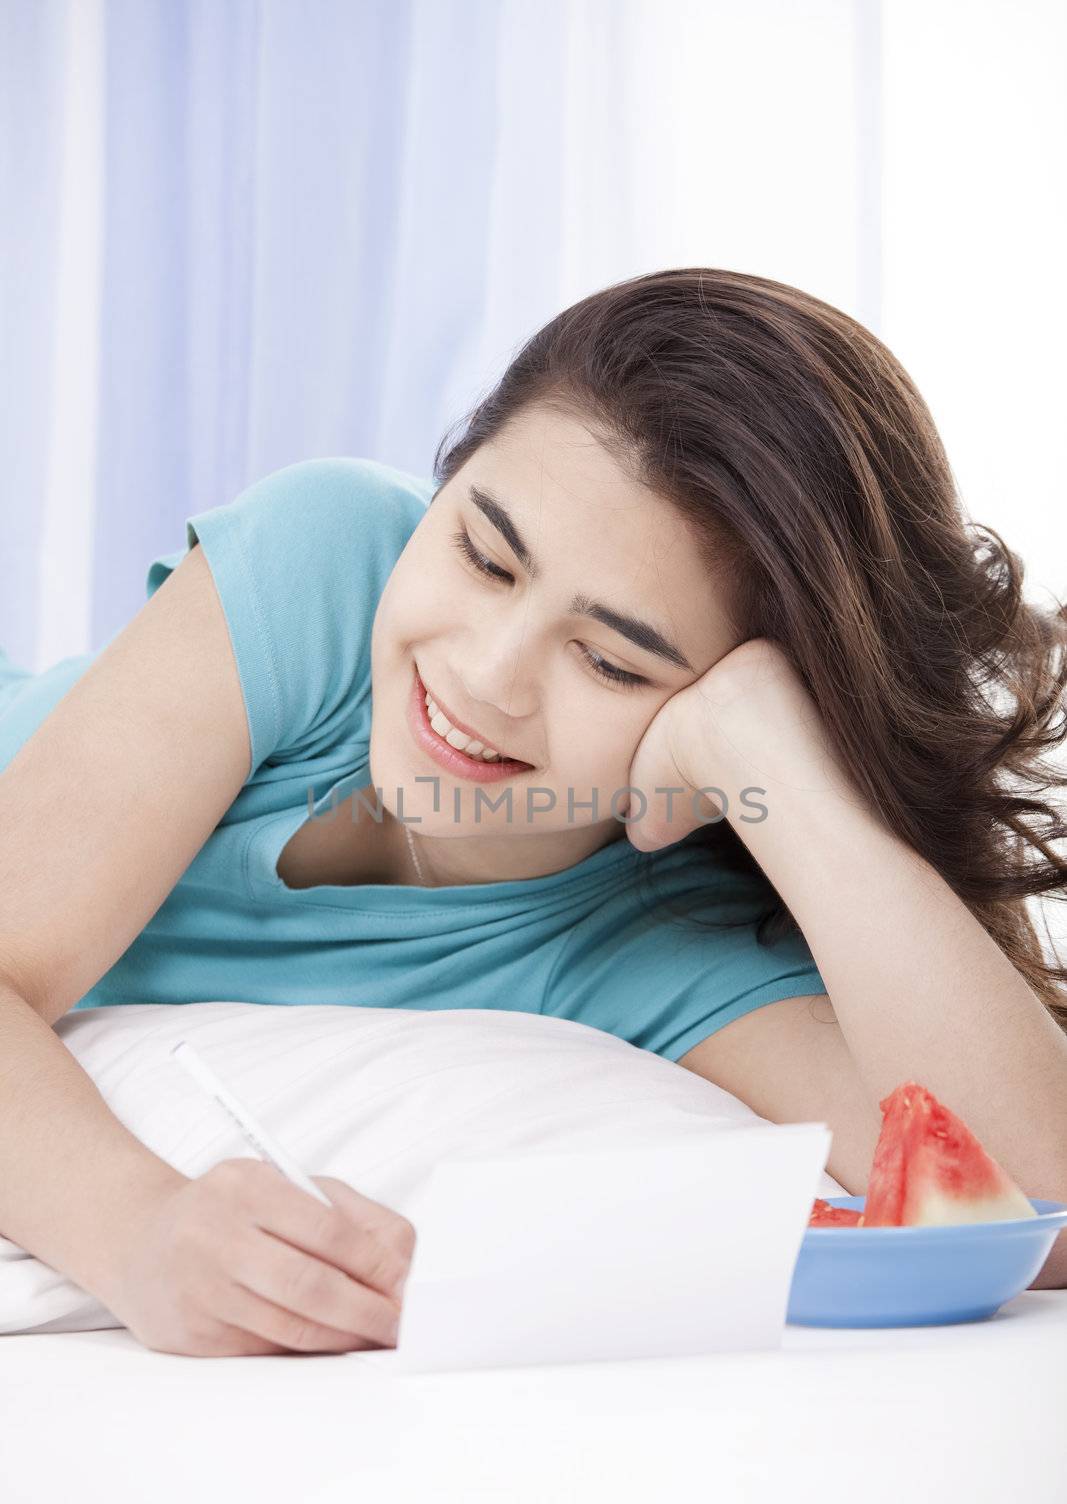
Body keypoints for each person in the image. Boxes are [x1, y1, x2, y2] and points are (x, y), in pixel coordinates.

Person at [2, 268, 1066, 1360]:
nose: (486, 677)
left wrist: (778, 768)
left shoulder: (652, 941)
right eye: (481, 554)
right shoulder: (326, 568)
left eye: (609, 660)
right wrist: (136, 1230)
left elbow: (1029, 1196)